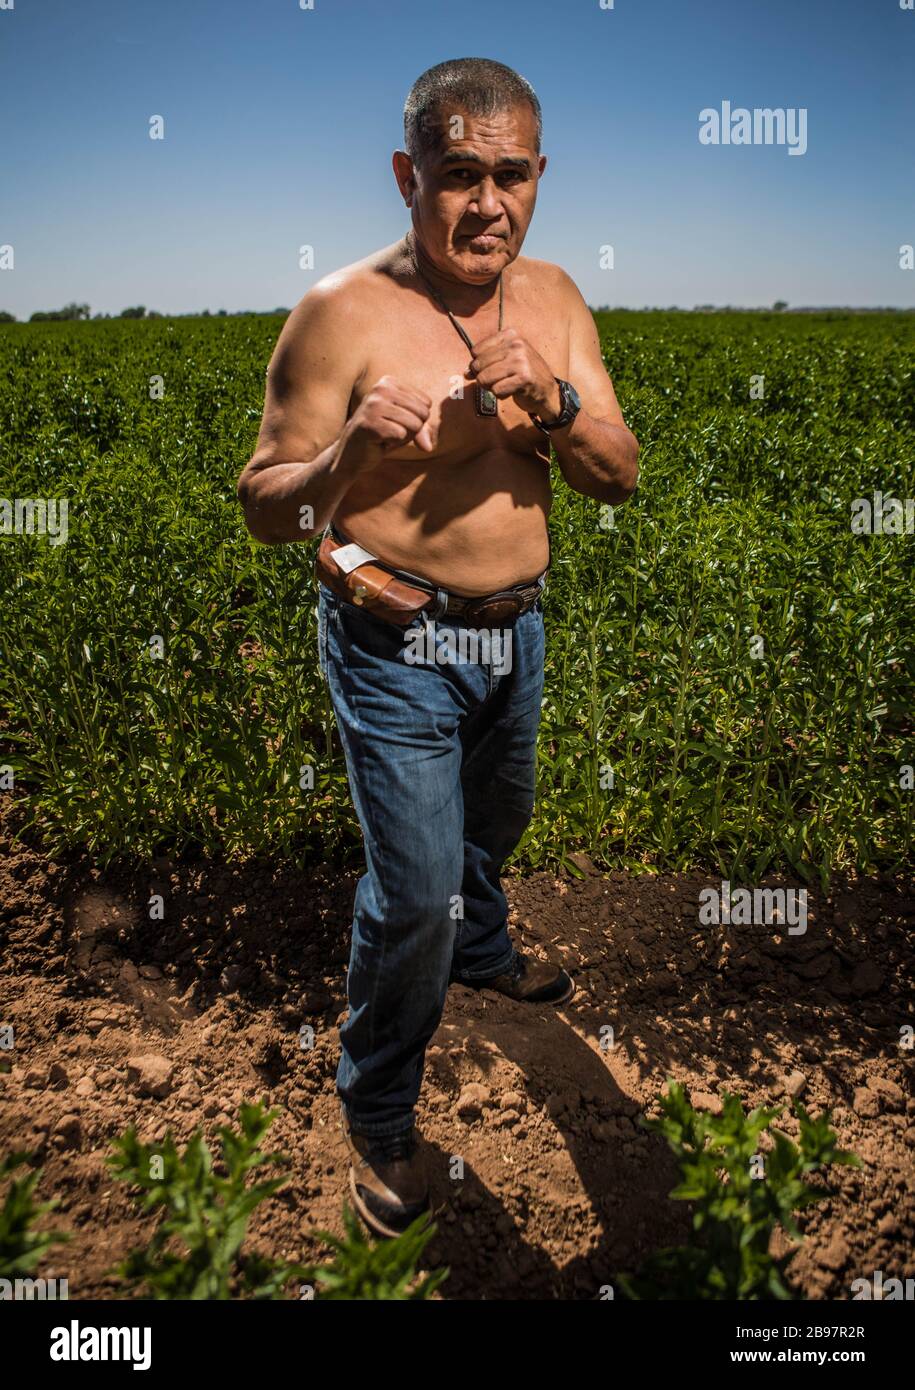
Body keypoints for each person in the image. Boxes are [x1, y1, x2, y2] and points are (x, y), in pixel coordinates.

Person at [236, 57, 639, 1238]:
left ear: (539, 177)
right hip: (392, 637)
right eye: (458, 175)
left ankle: (487, 944)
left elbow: (617, 476)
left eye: (510, 175)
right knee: (414, 890)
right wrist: (350, 453)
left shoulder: (558, 299)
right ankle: (379, 1116)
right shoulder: (338, 312)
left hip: (518, 632)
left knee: (490, 829)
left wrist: (557, 402)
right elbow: (269, 507)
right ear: (409, 175)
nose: (487, 204)